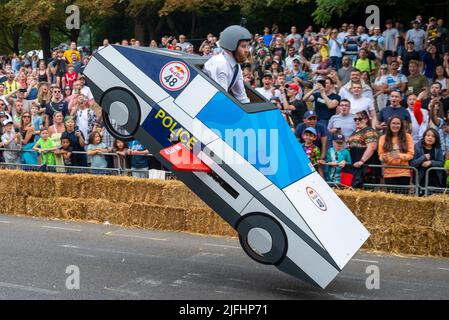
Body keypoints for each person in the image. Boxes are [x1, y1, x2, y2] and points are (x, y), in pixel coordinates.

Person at [203, 25, 252, 104]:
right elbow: (221, 99)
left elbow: (241, 97)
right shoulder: (220, 64)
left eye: (247, 46)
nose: (247, 50)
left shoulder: (236, 66)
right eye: (243, 46)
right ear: (231, 46)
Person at [378, 116, 415, 189]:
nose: (395, 125)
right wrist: (384, 157)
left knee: (402, 196)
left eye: (398, 123)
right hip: (389, 173)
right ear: (389, 125)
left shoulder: (408, 137)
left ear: (401, 125)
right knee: (391, 198)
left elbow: (411, 154)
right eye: (393, 123)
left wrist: (399, 156)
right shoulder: (383, 138)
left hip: (404, 173)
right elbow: (380, 155)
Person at [347, 111, 379, 188]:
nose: (357, 121)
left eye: (360, 119)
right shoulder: (354, 132)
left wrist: (362, 161)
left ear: (366, 120)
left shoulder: (369, 131)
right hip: (355, 166)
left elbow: (372, 147)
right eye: (355, 119)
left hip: (364, 167)